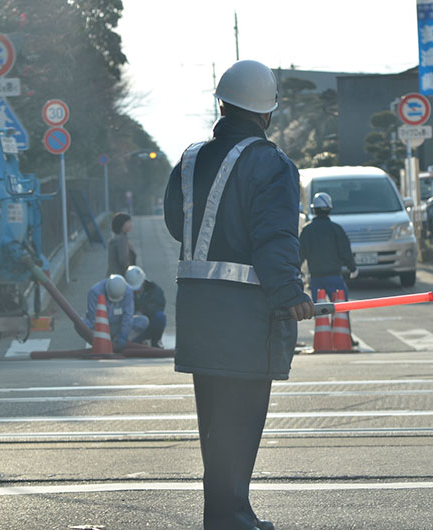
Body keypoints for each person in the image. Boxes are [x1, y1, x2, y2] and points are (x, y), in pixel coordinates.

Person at [163, 59, 314, 530]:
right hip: (245, 319)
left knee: (214, 425)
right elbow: (276, 237)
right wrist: (290, 292)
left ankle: (225, 515)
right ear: (267, 112)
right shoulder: (271, 164)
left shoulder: (189, 159)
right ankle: (231, 517)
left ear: (222, 105)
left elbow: (177, 224)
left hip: (197, 313)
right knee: (241, 424)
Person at [299, 192, 358, 303]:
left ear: (314, 209)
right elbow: (345, 251)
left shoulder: (307, 230)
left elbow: (300, 253)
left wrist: (295, 272)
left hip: (316, 278)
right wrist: (352, 268)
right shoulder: (336, 229)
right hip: (334, 277)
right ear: (329, 209)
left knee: (320, 310)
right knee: (340, 309)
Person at [81, 274, 149, 352]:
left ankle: (118, 343)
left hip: (117, 326)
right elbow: (93, 318)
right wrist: (100, 336)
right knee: (81, 323)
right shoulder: (94, 292)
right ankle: (99, 344)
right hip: (99, 328)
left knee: (143, 321)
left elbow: (128, 315)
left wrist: (124, 335)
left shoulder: (127, 291)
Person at [124, 265, 167, 348]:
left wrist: (142, 310)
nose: (135, 291)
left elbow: (159, 306)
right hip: (132, 327)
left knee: (160, 317)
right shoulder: (124, 292)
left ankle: (155, 342)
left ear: (143, 282)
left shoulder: (154, 290)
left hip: (149, 325)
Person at [107, 212, 136, 276]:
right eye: (128, 222)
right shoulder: (121, 239)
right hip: (120, 277)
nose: (131, 224)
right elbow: (123, 260)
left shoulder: (119, 238)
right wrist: (131, 273)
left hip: (115, 277)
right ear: (121, 224)